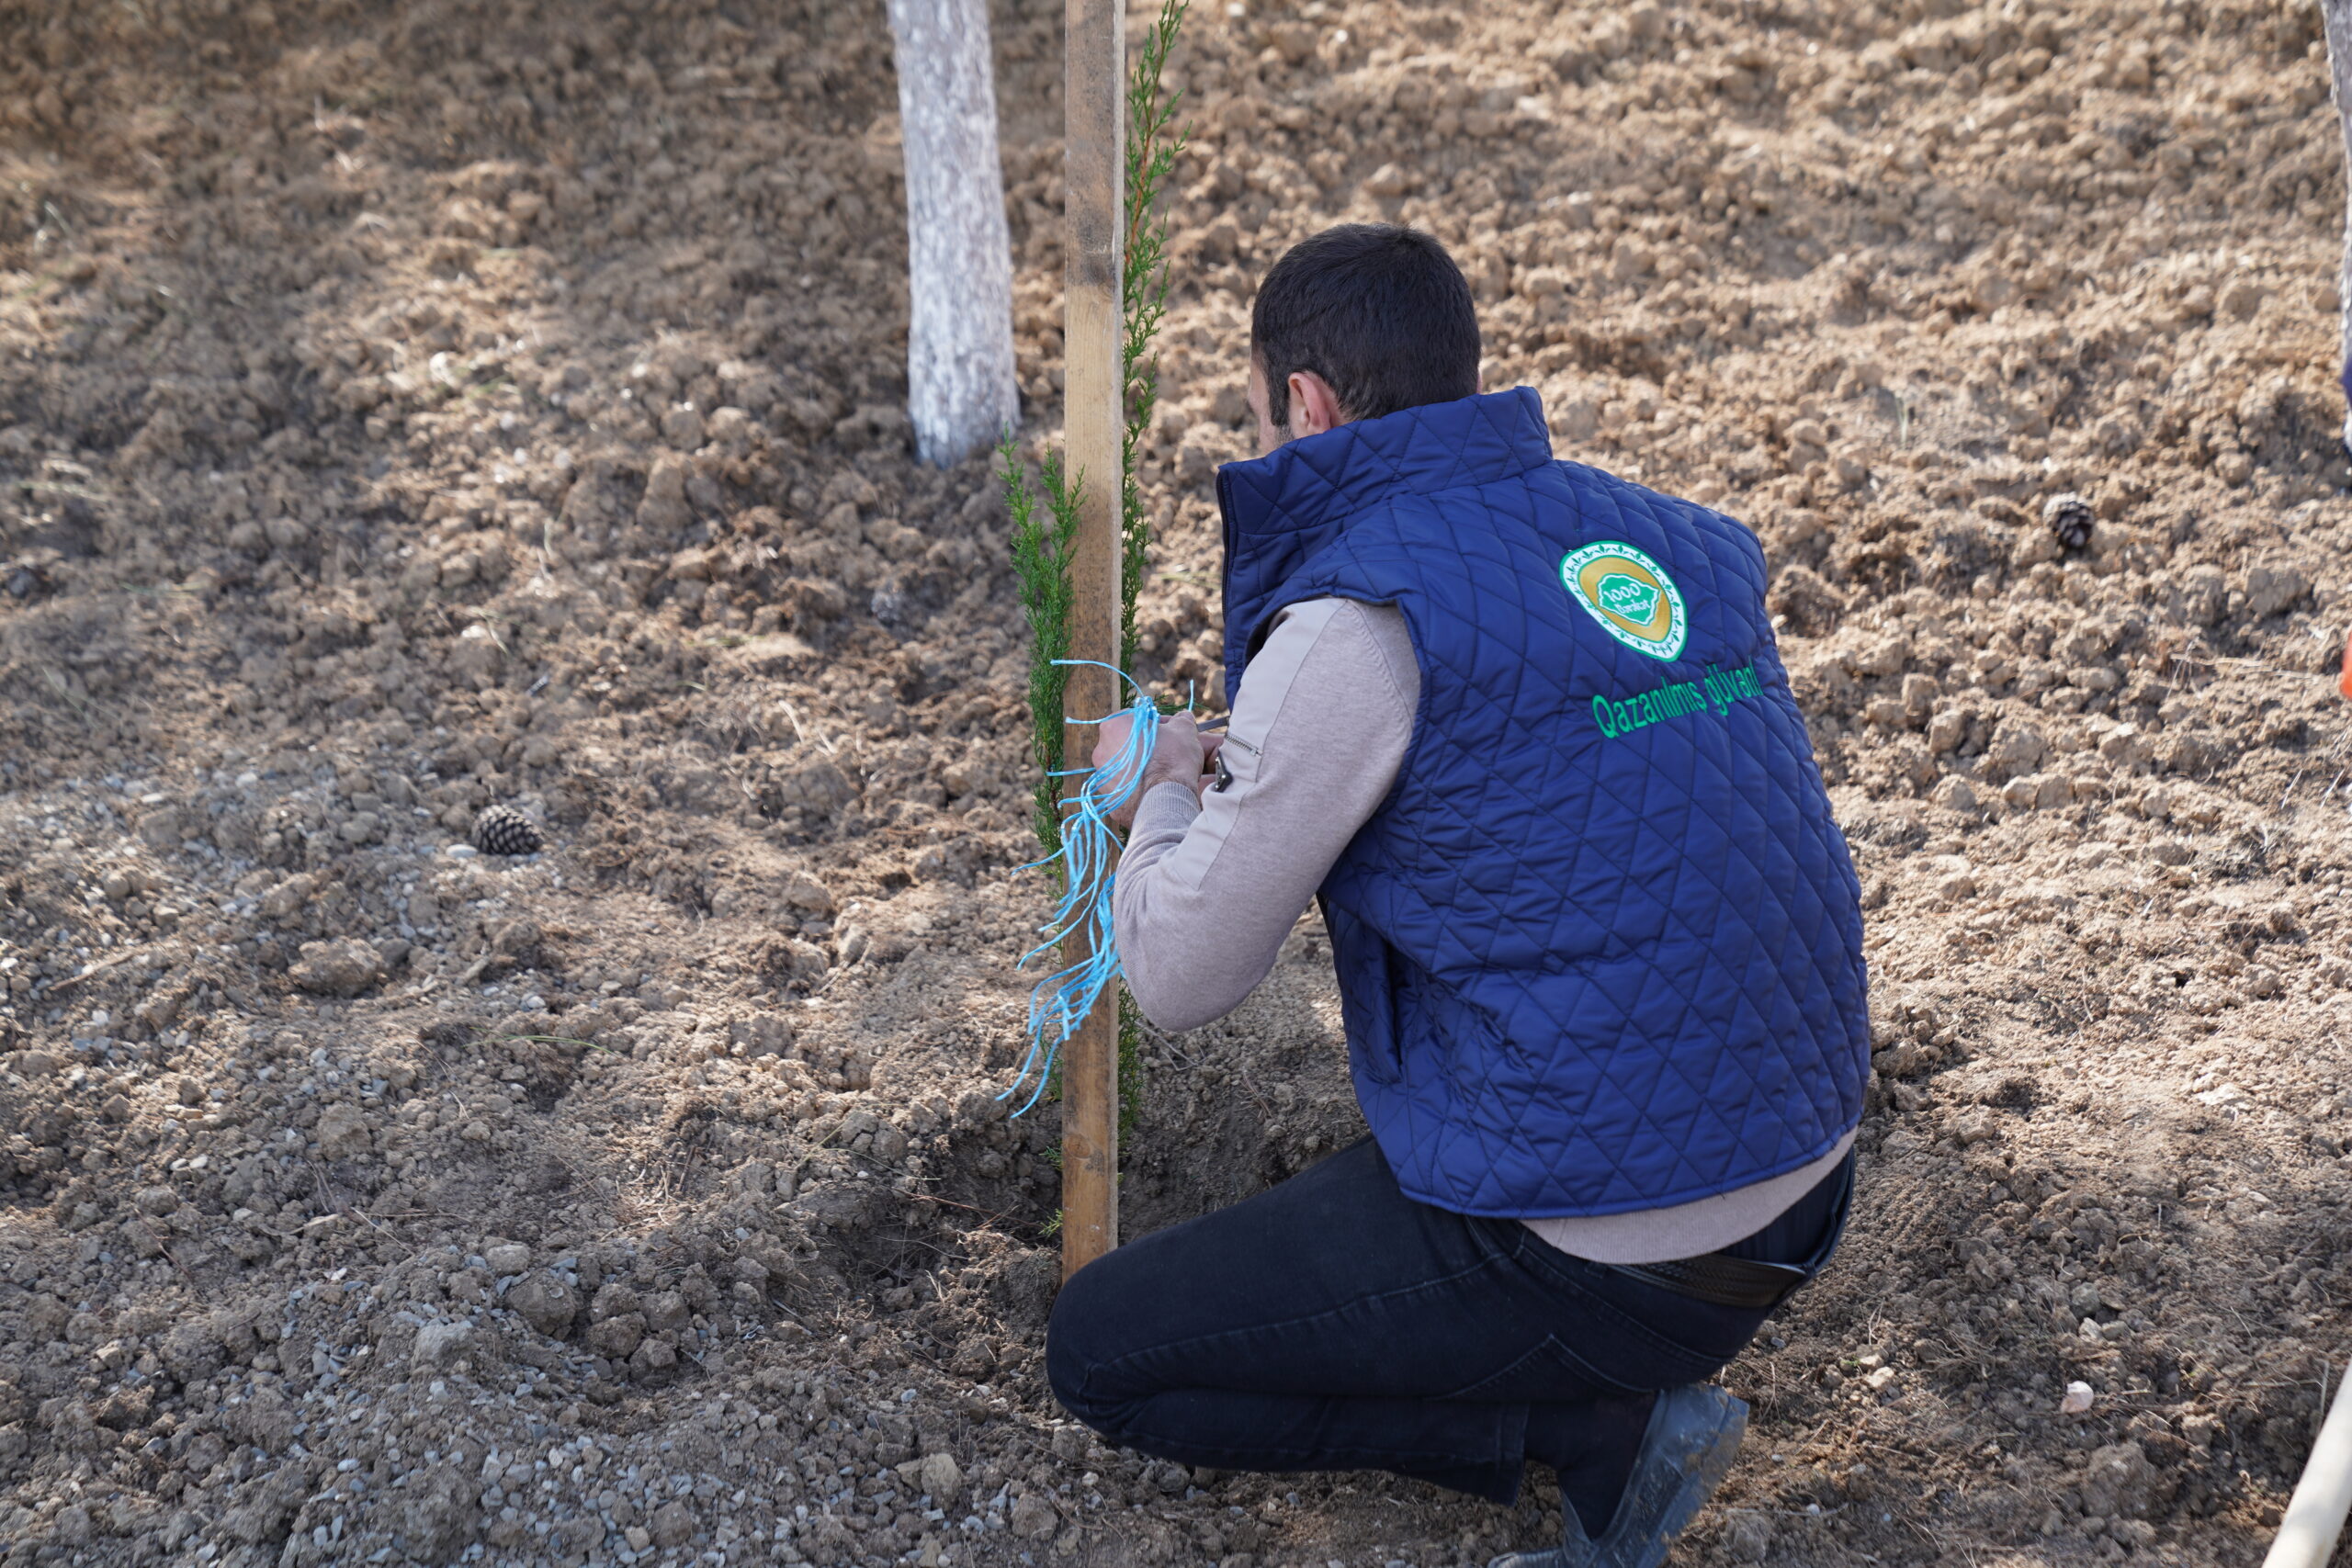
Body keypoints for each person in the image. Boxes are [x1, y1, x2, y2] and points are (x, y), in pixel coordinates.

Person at [1043, 223, 1870, 1568]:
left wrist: (1165, 802)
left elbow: (1185, 977)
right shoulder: (1685, 544)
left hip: (1616, 1240)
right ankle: (1597, 1383)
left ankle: (1583, 1431)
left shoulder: (1356, 625)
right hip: (1809, 1181)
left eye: (1257, 414)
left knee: (1106, 1353)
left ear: (1303, 404)